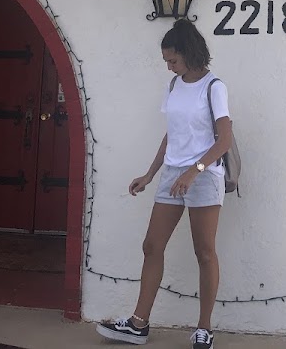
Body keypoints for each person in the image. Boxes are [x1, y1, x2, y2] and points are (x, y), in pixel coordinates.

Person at [97, 18, 233, 348]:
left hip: (202, 177)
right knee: (152, 246)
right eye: (167, 62)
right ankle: (138, 324)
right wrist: (150, 174)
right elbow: (172, 134)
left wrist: (195, 170)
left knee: (204, 252)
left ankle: (204, 329)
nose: (170, 68)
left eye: (173, 60)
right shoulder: (173, 87)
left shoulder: (214, 86)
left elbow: (225, 140)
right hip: (173, 174)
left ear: (189, 53)